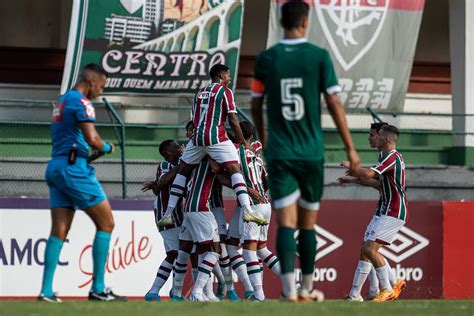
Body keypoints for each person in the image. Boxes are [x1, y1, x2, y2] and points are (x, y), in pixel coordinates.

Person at [251, 0, 360, 302]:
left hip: (280, 153)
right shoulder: (319, 57)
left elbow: (255, 103)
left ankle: (288, 292)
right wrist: (351, 148)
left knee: (286, 221)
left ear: (283, 22)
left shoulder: (267, 58)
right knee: (308, 223)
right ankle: (307, 289)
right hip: (311, 153)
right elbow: (335, 103)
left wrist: (264, 140)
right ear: (305, 21)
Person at [40, 64, 127, 302]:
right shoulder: (81, 102)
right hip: (73, 169)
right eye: (102, 85)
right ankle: (98, 288)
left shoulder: (61, 101)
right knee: (107, 223)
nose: (101, 91)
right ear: (91, 81)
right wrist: (106, 147)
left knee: (59, 229)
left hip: (56, 166)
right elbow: (92, 138)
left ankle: (46, 291)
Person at [161, 64, 267, 227]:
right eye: (228, 75)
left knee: (183, 170)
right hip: (216, 137)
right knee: (234, 170)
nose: (229, 78)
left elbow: (196, 119)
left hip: (197, 139)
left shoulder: (198, 93)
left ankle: (168, 213)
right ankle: (247, 210)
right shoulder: (225, 92)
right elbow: (232, 120)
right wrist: (244, 143)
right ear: (220, 75)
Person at [339, 122, 406, 302]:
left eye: (373, 135)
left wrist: (353, 167)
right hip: (385, 209)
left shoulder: (392, 157)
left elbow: (369, 174)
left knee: (370, 249)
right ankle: (358, 294)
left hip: (393, 210)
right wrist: (353, 180)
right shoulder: (384, 156)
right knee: (366, 250)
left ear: (384, 138)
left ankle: (387, 287)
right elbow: (379, 184)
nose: (371, 138)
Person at [142, 140, 184, 301]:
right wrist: (184, 163)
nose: (179, 146)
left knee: (178, 253)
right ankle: (156, 292)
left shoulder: (177, 165)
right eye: (175, 145)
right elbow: (164, 181)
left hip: (178, 214)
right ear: (168, 152)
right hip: (167, 215)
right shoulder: (165, 165)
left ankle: (170, 291)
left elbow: (159, 186)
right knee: (177, 253)